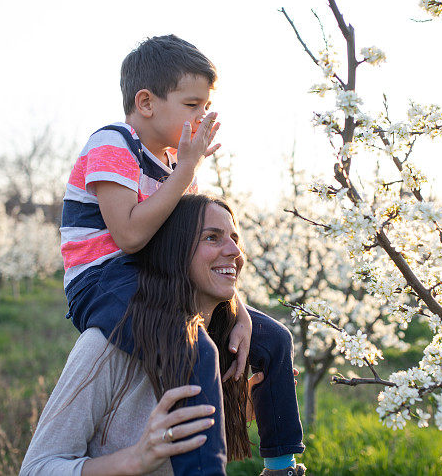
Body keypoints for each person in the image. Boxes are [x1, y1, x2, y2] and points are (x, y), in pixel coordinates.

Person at [60, 36, 304, 473]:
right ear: (147, 102)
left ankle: (282, 465)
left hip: (154, 277)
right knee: (197, 349)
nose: (203, 116)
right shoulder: (113, 145)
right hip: (101, 282)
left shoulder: (174, 164)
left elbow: (183, 252)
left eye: (207, 106)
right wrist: (188, 170)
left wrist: (238, 308)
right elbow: (131, 236)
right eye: (193, 105)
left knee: (274, 339)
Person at [22, 195, 252, 475]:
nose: (234, 251)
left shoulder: (223, 346)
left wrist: (232, 415)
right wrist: (133, 460)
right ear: (174, 251)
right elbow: (36, 468)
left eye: (235, 238)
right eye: (212, 237)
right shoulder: (105, 347)